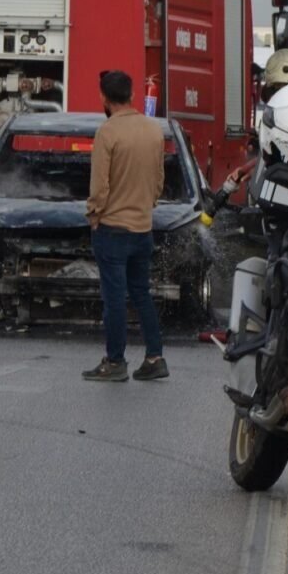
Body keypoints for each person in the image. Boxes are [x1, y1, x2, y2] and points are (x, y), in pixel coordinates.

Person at [82, 70, 168, 382]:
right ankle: (155, 357)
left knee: (115, 299)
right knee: (142, 293)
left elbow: (99, 186)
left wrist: (94, 214)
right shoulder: (153, 130)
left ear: (103, 98)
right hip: (143, 228)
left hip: (112, 228)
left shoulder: (107, 132)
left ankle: (115, 361)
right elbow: (158, 181)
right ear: (132, 95)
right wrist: (146, 206)